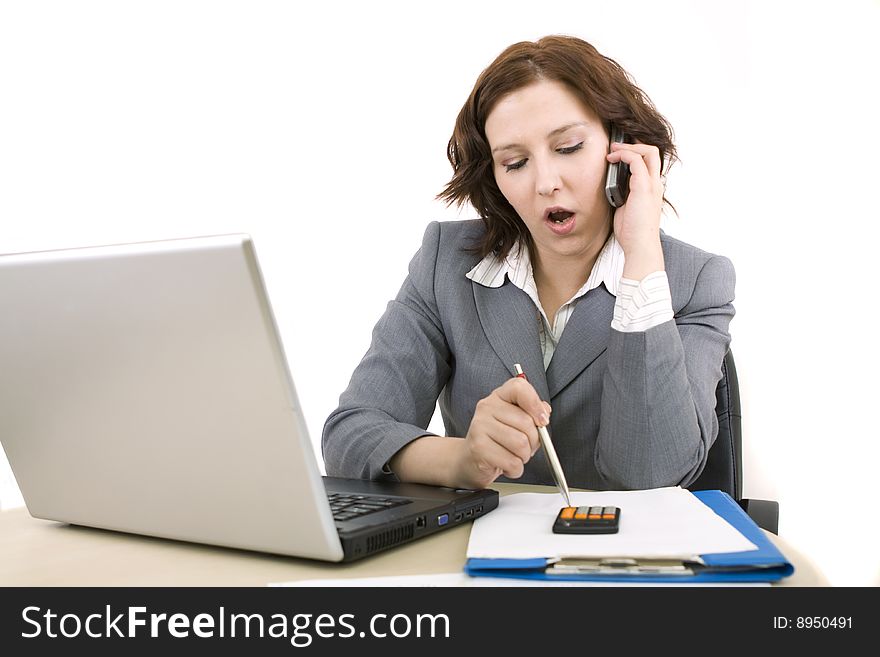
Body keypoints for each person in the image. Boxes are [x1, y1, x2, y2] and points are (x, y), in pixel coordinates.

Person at [322, 35, 734, 492]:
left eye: (569, 147)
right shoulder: (446, 262)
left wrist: (640, 255)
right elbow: (349, 436)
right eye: (516, 162)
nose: (545, 183)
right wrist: (462, 458)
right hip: (476, 553)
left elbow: (651, 475)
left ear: (622, 149)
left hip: (615, 555)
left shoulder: (696, 280)